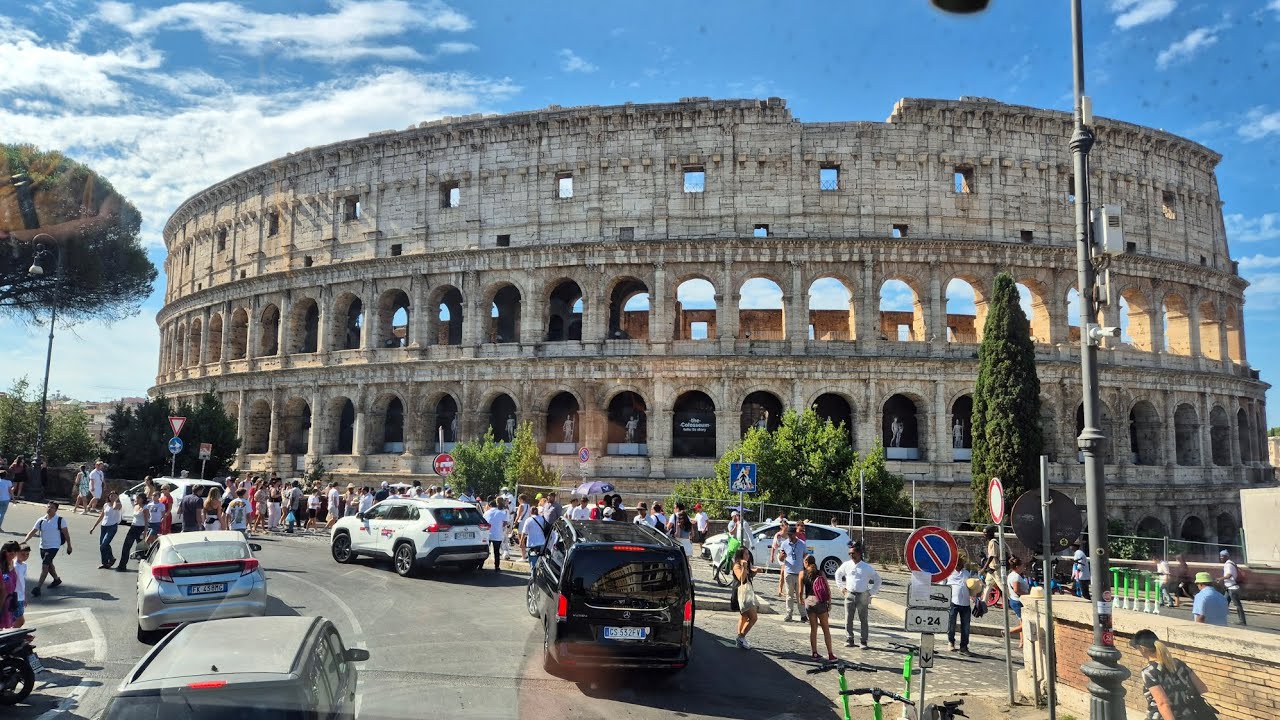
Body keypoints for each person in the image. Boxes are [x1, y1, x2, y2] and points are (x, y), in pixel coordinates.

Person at [1130, 628, 1215, 720]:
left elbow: (1163, 704)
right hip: (1189, 715)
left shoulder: (1149, 671)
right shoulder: (1178, 664)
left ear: (1142, 649)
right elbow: (1202, 688)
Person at [834, 541, 881, 648]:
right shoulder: (846, 565)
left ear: (859, 553)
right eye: (849, 553)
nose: (851, 555)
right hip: (849, 594)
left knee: (863, 619)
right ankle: (849, 638)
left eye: (853, 553)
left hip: (863, 595)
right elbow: (838, 574)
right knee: (848, 618)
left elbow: (878, 580)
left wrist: (871, 592)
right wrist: (841, 587)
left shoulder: (866, 567)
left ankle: (863, 641)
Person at [22, 501, 72, 597]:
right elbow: (33, 531)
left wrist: (69, 546)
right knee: (49, 564)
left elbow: (66, 534)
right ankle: (56, 579)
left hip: (54, 546)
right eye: (48, 507)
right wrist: (25, 541)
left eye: (52, 507)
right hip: (43, 546)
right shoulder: (41, 520)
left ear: (56, 509)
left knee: (45, 565)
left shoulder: (60, 520)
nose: (49, 509)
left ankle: (38, 588)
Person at [800, 554, 836, 660]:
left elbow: (800, 592)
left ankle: (814, 653)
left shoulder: (802, 573)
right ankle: (830, 654)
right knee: (825, 629)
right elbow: (827, 588)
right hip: (819, 601)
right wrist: (829, 602)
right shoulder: (820, 573)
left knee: (813, 629)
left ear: (806, 562)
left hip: (809, 601)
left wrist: (801, 600)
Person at [946, 553, 977, 654]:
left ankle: (964, 647)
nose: (960, 565)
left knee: (966, 627)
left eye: (962, 563)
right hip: (953, 603)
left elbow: (972, 586)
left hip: (965, 604)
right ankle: (951, 642)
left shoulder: (966, 573)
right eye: (958, 563)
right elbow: (942, 586)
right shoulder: (949, 573)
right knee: (951, 624)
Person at [778, 523, 808, 623]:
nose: (789, 537)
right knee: (789, 595)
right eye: (788, 535)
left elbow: (805, 556)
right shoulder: (784, 544)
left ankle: (803, 615)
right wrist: (782, 557)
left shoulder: (802, 544)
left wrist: (806, 568)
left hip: (799, 573)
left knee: (800, 595)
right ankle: (789, 614)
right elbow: (780, 558)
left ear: (795, 534)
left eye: (791, 535)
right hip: (789, 572)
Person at [731, 546, 758, 649]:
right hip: (742, 594)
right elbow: (741, 578)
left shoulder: (746, 564)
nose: (748, 556)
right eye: (746, 554)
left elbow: (748, 576)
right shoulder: (737, 565)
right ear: (740, 555)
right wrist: (745, 567)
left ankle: (740, 638)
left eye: (748, 554)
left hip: (746, 593)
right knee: (753, 617)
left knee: (744, 616)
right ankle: (741, 637)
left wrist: (754, 571)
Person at [89, 491, 122, 569]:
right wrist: (93, 527)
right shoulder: (106, 505)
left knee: (104, 544)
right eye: (111, 496)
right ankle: (105, 562)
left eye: (114, 496)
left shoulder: (118, 505)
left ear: (117, 497)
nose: (112, 497)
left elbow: (114, 507)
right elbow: (101, 516)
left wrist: (116, 500)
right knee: (102, 546)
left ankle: (110, 559)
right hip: (104, 526)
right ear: (109, 497)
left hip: (112, 527)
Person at [116, 495, 148, 571]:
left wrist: (145, 532)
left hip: (141, 528)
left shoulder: (145, 508)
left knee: (142, 549)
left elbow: (146, 521)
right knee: (126, 547)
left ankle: (146, 567)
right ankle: (122, 566)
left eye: (138, 498)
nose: (136, 499)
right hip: (133, 527)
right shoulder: (136, 506)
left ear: (142, 499)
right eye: (136, 498)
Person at [1219, 549, 1246, 626]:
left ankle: (1242, 621)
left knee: (1237, 605)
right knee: (1224, 603)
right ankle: (1220, 618)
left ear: (1226, 556)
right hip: (1229, 588)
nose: (1221, 558)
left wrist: (1220, 579)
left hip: (1232, 588)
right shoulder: (1231, 563)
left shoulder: (1228, 564)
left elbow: (1229, 575)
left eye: (1222, 557)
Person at [521, 506, 549, 574]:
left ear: (531, 512)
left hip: (532, 544)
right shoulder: (542, 519)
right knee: (541, 561)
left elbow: (524, 532)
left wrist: (521, 542)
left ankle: (533, 577)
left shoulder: (528, 520)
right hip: (542, 542)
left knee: (533, 563)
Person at [1006, 556, 1027, 647]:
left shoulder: (1011, 575)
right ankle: (1007, 632)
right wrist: (1028, 595)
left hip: (1014, 600)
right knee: (1025, 623)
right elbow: (1016, 590)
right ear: (1017, 567)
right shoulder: (1016, 577)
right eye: (1022, 566)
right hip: (1018, 601)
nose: (1023, 568)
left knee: (1021, 621)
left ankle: (1022, 642)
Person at [483, 499, 507, 571]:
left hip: (488, 534)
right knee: (496, 551)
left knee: (485, 550)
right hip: (497, 534)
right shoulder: (502, 513)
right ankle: (497, 566)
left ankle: (480, 565)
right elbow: (505, 523)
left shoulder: (486, 513)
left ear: (489, 505)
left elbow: (484, 522)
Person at [0, 542, 18, 629]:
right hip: (2, 600)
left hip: (9, 601)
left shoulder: (12, 564)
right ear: (4, 551)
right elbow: (3, 589)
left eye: (15, 550)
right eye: (10, 550)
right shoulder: (1, 566)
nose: (13, 553)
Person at [772, 520, 790, 597]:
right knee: (783, 571)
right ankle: (780, 589)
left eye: (787, 526)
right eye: (785, 526)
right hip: (781, 555)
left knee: (786, 572)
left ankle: (787, 589)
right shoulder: (778, 535)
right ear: (781, 527)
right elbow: (774, 546)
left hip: (788, 555)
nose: (786, 527)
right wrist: (772, 556)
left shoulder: (789, 535)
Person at [0, 469, 11, 533]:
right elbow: (10, 491)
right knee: (2, 514)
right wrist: (14, 499)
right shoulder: (8, 482)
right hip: (5, 499)